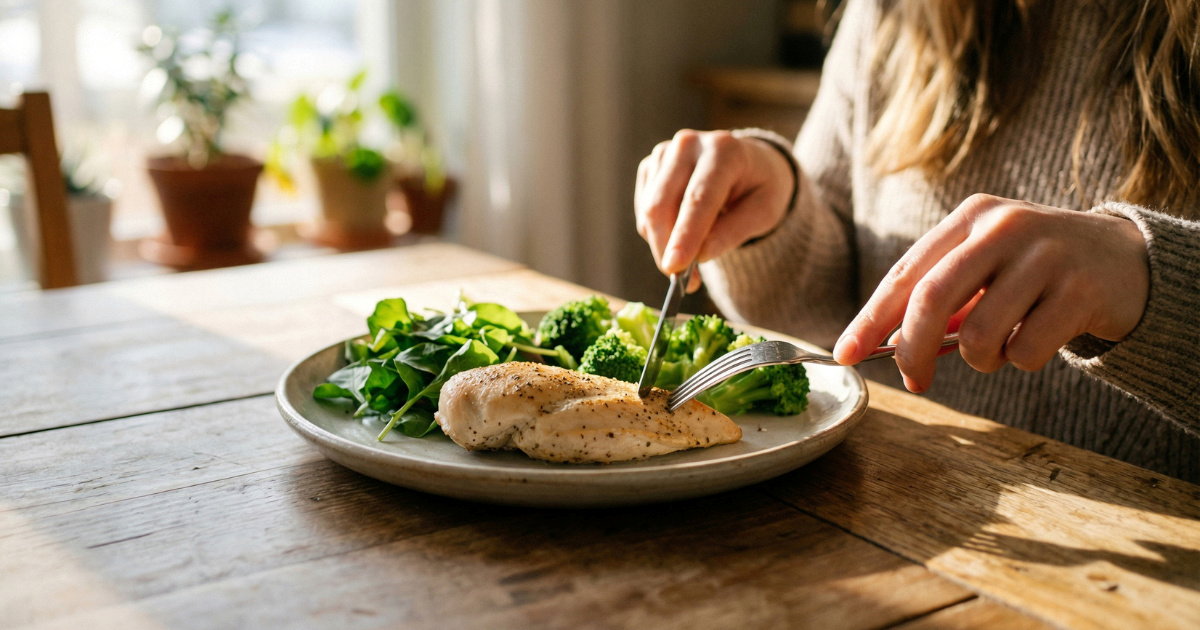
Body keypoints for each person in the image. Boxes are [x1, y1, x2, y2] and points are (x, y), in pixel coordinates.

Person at [634, 0, 1200, 482]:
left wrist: (1150, 280)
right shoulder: (890, 10)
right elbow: (838, 298)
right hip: (876, 488)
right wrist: (776, 211)